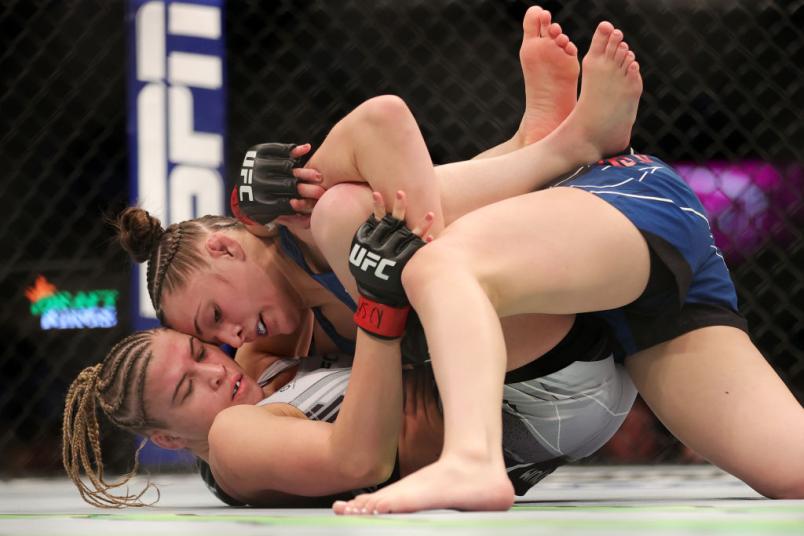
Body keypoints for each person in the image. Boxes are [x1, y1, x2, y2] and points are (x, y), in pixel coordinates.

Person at [63, 8, 644, 507]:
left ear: (225, 246)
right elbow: (358, 463)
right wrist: (380, 311)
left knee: (346, 210)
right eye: (190, 384)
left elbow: (383, 119)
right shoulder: (238, 431)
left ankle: (539, 145)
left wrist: (270, 194)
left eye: (204, 339)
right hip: (539, 399)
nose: (222, 355)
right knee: (350, 219)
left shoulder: (261, 349)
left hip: (551, 347)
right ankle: (553, 150)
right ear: (166, 440)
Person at [331, 39, 804, 519]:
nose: (246, 338)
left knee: (424, 259)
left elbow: (377, 137)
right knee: (795, 470)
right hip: (588, 307)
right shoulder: (274, 367)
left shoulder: (297, 219)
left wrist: (260, 197)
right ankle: (546, 143)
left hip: (606, 202)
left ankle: (471, 457)